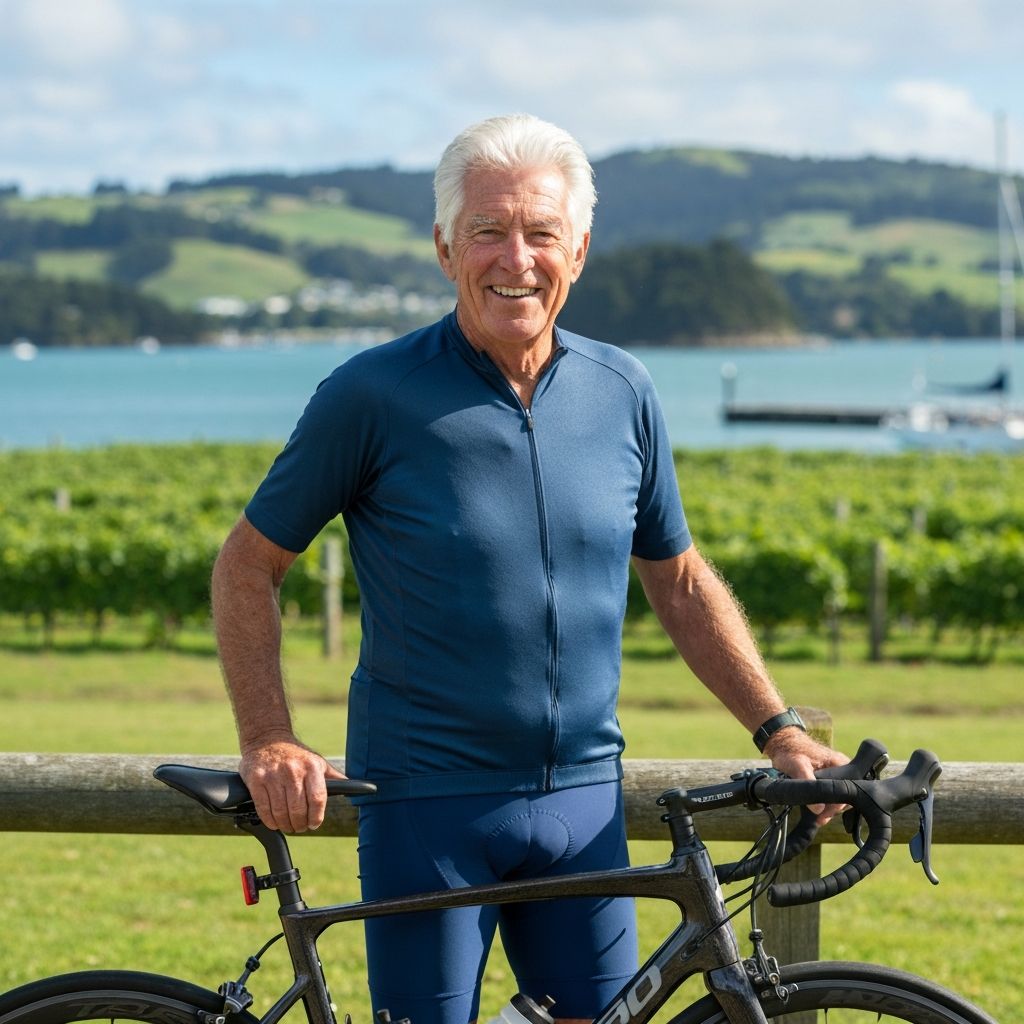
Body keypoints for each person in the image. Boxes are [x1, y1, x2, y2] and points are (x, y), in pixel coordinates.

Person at [211, 113, 845, 1024]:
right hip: (426, 800)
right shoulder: (371, 395)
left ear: (578, 250)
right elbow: (246, 565)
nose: (517, 257)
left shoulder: (622, 390)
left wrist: (778, 728)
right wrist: (270, 737)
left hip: (584, 806)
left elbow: (679, 579)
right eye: (487, 231)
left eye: (541, 232)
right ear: (443, 247)